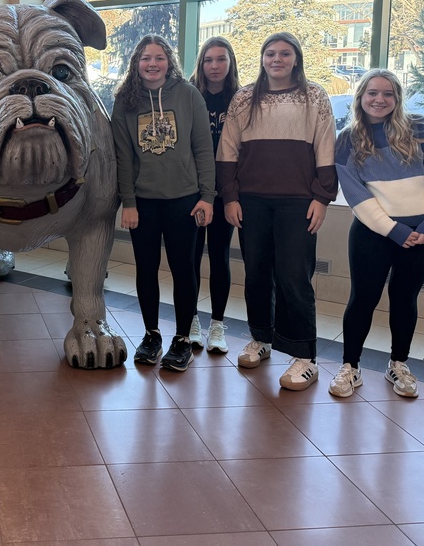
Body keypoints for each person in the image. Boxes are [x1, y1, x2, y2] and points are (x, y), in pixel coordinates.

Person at [218, 32, 337, 391]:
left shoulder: (314, 96)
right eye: (270, 53)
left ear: (296, 58)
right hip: (251, 201)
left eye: (285, 53)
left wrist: (322, 197)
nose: (277, 59)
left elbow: (326, 148)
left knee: (293, 277)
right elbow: (227, 151)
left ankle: (304, 356)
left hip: (298, 203)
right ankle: (261, 338)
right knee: (256, 273)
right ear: (262, 58)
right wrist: (230, 197)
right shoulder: (243, 98)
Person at [329, 69, 424, 399]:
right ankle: (350, 367)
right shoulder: (347, 140)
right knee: (363, 299)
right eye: (372, 93)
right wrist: (395, 230)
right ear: (361, 98)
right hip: (374, 234)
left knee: (403, 298)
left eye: (388, 94)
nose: (380, 99)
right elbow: (356, 196)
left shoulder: (421, 129)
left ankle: (398, 364)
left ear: (397, 98)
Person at [112, 35, 216, 372]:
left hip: (184, 201)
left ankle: (183, 338)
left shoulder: (188, 95)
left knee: (183, 270)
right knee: (145, 269)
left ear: (169, 61)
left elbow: (203, 148)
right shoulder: (124, 101)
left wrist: (207, 196)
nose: (152, 64)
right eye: (145, 58)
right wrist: (128, 202)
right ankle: (152, 334)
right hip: (143, 202)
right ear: (136, 63)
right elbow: (123, 157)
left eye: (159, 57)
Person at [189, 36, 240, 354]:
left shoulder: (241, 99)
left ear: (230, 63)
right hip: (193, 191)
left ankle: (217, 325)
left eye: (221, 59)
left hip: (226, 192)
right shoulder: (189, 95)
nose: (215, 66)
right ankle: (191, 321)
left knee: (220, 256)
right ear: (201, 63)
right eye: (209, 60)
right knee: (190, 257)